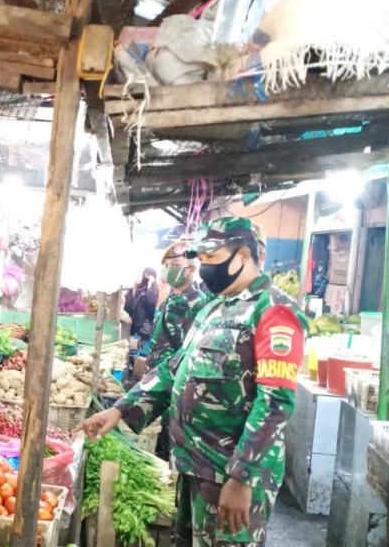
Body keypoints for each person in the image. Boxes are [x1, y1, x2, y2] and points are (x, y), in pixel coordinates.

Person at [83, 217, 306, 547]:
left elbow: (274, 403)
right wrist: (119, 410)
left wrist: (242, 477)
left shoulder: (273, 311)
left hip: (232, 472)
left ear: (243, 254)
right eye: (200, 259)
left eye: (211, 259)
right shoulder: (213, 309)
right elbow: (174, 369)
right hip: (196, 467)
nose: (203, 268)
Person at [147, 239, 211, 465]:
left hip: (174, 387)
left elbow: (188, 353)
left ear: (191, 269)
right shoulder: (173, 297)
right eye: (167, 264)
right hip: (160, 380)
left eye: (174, 264)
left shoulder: (195, 303)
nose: (168, 269)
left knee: (168, 449)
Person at [124, 267, 159, 341]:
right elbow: (128, 306)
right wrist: (133, 290)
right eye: (145, 274)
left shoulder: (153, 288)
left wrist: (152, 283)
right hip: (132, 324)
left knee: (140, 347)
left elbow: (151, 301)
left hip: (143, 327)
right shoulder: (137, 287)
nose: (146, 276)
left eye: (149, 275)